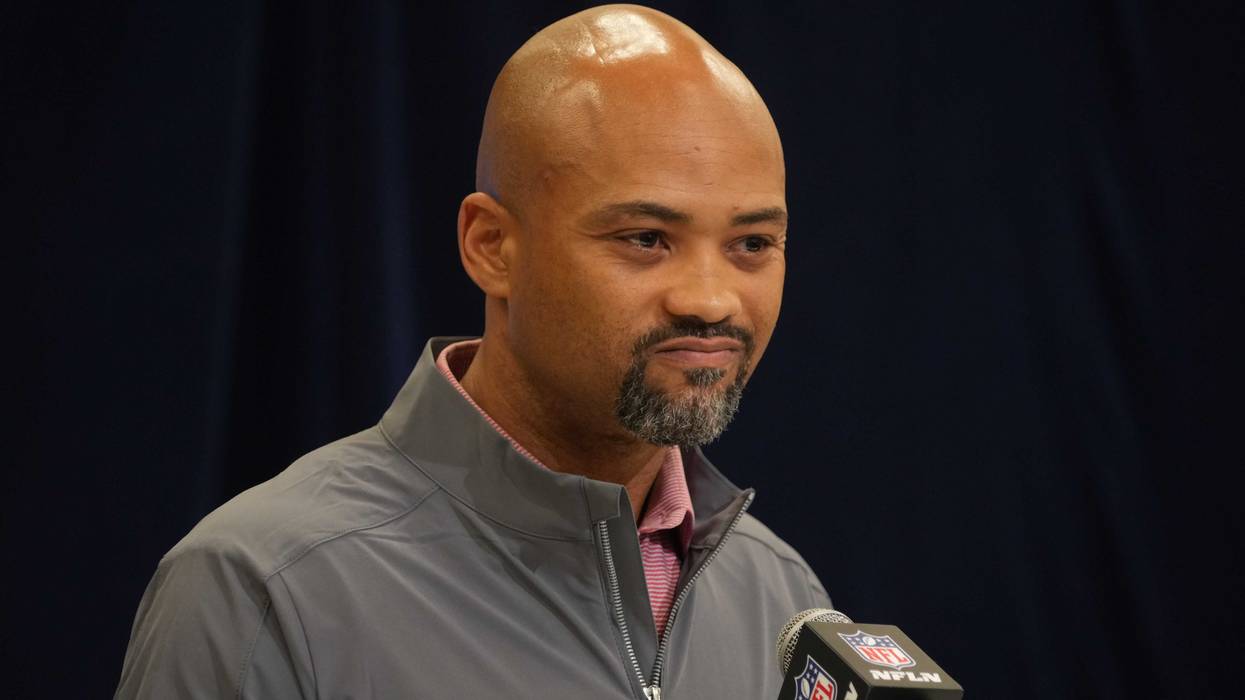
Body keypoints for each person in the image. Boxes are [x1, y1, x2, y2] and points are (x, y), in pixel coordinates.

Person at [116, 4, 831, 698]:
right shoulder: (264, 589)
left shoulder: (784, 600)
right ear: (490, 245)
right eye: (644, 238)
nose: (709, 299)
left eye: (752, 244)